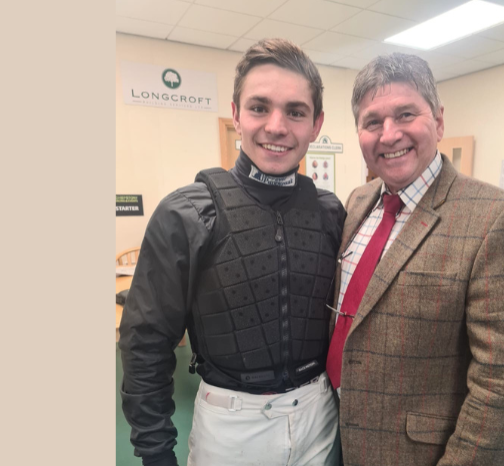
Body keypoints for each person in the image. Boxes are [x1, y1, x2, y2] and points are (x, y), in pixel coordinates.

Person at [119, 38, 345, 466]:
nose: (277, 126)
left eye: (295, 111)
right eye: (260, 107)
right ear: (236, 114)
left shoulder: (331, 213)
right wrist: (154, 452)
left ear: (316, 124)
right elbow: (146, 345)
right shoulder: (187, 213)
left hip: (320, 419)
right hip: (231, 429)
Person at [325, 53, 504, 466]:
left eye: (405, 114)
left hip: (414, 452)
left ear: (439, 121)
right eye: (373, 121)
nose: (389, 135)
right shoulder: (358, 203)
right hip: (332, 430)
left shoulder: (497, 218)